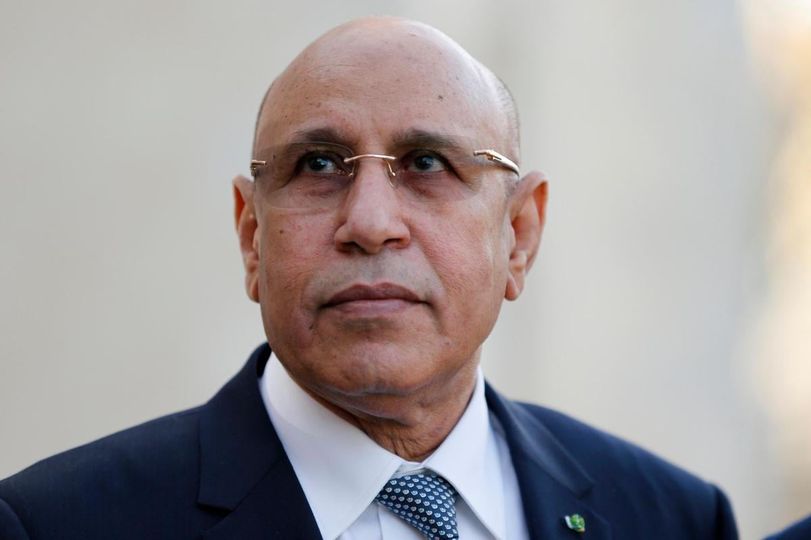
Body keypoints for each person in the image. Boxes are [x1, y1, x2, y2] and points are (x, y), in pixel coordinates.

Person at [0, 16, 737, 540]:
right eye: (318, 164)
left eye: (427, 164)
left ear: (518, 235)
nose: (371, 222)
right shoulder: (56, 524)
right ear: (252, 236)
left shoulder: (672, 518)